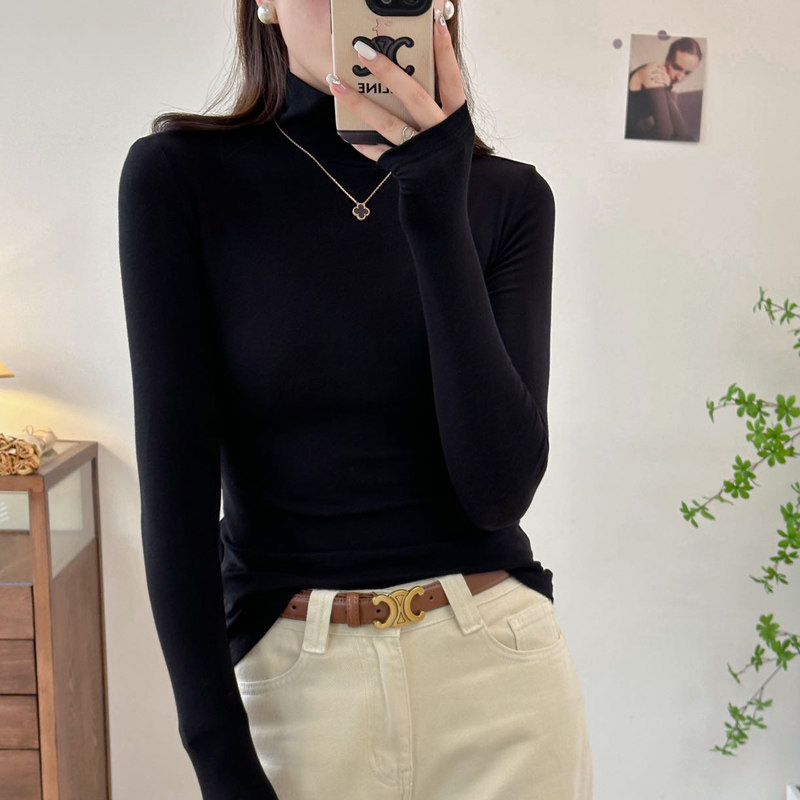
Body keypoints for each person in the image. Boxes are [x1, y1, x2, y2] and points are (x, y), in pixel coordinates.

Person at [117, 0, 593, 797]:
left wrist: (435, 205)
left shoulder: (508, 197)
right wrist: (218, 758)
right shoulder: (181, 177)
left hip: (500, 681)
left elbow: (498, 490)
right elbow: (177, 497)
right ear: (265, 3)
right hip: (294, 689)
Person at [626, 36, 703, 140]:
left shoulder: (667, 84)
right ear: (667, 59)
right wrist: (667, 90)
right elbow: (665, 133)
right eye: (676, 67)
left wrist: (667, 90)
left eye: (687, 73)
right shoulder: (654, 71)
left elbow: (682, 131)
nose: (680, 77)